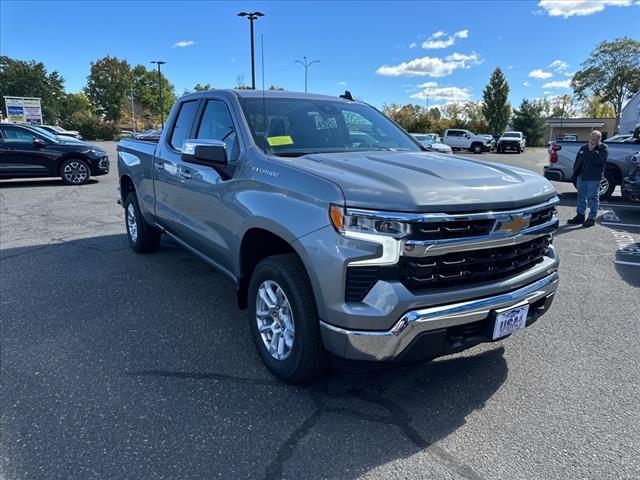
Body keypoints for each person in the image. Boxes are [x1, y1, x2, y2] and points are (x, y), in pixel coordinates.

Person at [567, 130, 609, 228]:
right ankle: (580, 215)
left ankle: (591, 218)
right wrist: (576, 174)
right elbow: (578, 161)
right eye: (591, 139)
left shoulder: (603, 148)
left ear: (599, 139)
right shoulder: (583, 147)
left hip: (593, 178)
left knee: (593, 198)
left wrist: (591, 150)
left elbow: (599, 161)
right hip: (581, 177)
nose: (592, 141)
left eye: (595, 139)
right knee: (581, 197)